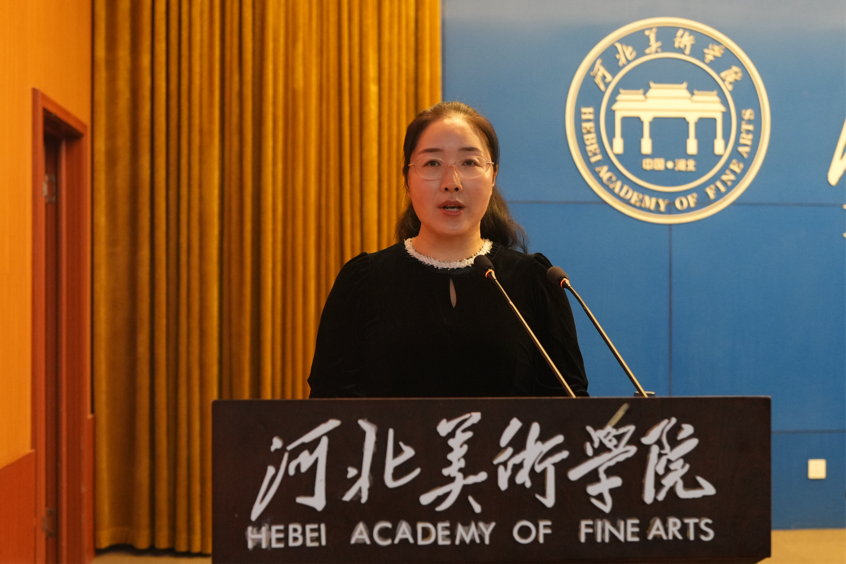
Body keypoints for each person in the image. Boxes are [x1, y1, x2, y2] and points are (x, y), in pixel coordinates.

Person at [308, 101, 588, 398]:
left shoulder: (534, 282)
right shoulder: (363, 282)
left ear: (493, 176)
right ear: (407, 179)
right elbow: (329, 410)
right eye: (432, 163)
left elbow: (568, 411)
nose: (451, 183)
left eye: (469, 163)